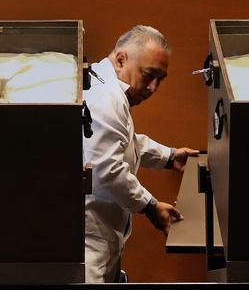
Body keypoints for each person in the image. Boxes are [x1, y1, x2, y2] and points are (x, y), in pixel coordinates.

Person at [82, 25, 199, 283]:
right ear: (122, 58)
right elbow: (107, 169)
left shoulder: (103, 81)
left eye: (161, 79)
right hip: (90, 240)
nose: (153, 87)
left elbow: (124, 142)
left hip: (100, 232)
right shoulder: (108, 98)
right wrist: (151, 207)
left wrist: (169, 157)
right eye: (148, 75)